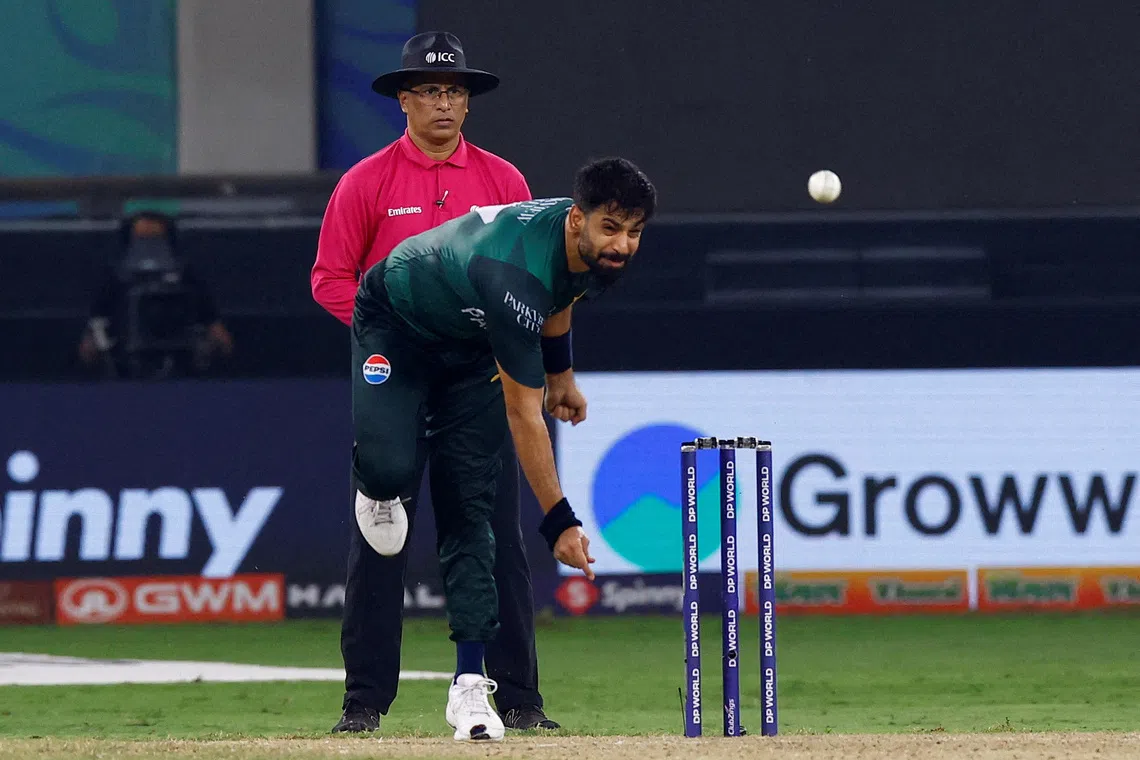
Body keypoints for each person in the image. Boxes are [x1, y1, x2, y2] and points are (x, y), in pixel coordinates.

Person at [350, 157, 657, 741]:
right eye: (612, 228)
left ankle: (469, 686)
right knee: (390, 467)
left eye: (634, 232)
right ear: (577, 220)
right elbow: (524, 415)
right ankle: (378, 483)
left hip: (471, 351)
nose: (622, 244)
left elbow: (563, 293)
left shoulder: (584, 251)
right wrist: (559, 521)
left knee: (472, 509)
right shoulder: (515, 278)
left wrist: (562, 375)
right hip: (395, 324)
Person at [310, 31, 556, 735]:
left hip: (476, 371)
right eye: (428, 91)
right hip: (397, 371)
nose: (443, 103)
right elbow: (330, 278)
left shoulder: (505, 183)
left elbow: (527, 276)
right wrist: (391, 330)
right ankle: (363, 703)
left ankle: (520, 699)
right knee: (379, 534)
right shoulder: (366, 182)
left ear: (467, 103)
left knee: (493, 533)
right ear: (404, 101)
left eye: (453, 91)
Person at [78, 211, 233, 380]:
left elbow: (219, 335)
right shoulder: (115, 279)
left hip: (181, 368)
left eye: (155, 241)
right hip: (126, 369)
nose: (149, 249)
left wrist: (209, 348)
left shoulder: (187, 277)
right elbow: (90, 341)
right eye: (142, 241)